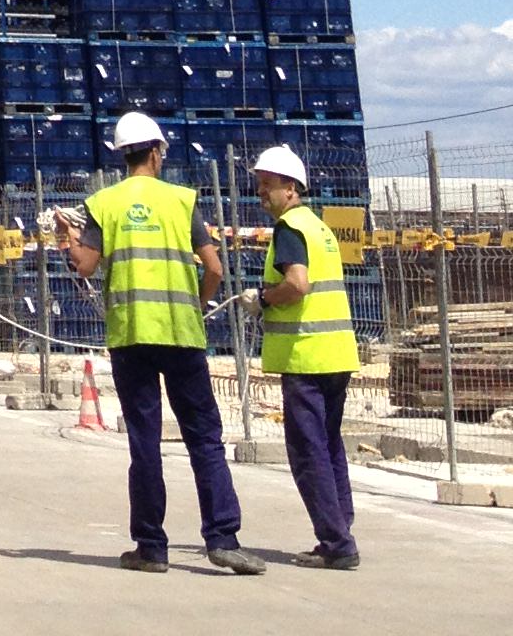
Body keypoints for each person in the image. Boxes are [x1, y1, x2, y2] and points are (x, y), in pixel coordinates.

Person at [56, 111, 263, 575]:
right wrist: (195, 306)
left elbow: (85, 266)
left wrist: (68, 240)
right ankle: (223, 538)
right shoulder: (181, 201)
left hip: (131, 336)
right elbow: (213, 268)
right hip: (181, 333)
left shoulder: (103, 204)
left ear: (122, 155)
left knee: (144, 442)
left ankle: (151, 547)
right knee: (204, 439)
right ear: (156, 152)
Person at [253, 144, 360, 570]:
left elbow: (298, 284)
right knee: (330, 446)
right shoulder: (319, 228)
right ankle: (341, 530)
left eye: (269, 186)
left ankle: (336, 542)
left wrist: (263, 299)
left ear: (291, 189)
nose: (262, 193)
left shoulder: (289, 230)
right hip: (336, 354)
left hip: (306, 357)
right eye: (259, 184)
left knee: (308, 451)